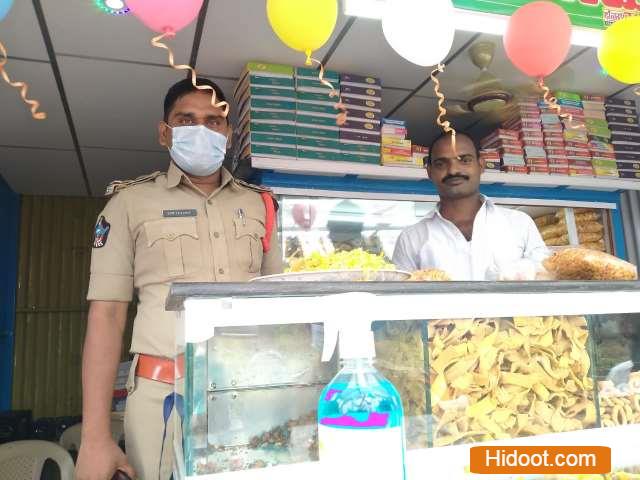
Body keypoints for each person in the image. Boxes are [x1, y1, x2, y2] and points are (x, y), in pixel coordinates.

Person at [76, 78, 283, 480]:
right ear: (164, 132)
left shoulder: (261, 204)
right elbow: (107, 317)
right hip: (163, 398)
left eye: (213, 121)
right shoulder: (129, 204)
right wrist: (95, 437)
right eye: (186, 120)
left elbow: (280, 308)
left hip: (250, 392)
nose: (200, 129)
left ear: (228, 135)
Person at [392, 131, 548, 280]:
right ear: (430, 172)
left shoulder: (519, 223)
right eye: (441, 164)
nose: (453, 170)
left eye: (465, 160)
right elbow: (401, 298)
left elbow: (548, 276)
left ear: (481, 165)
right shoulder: (411, 238)